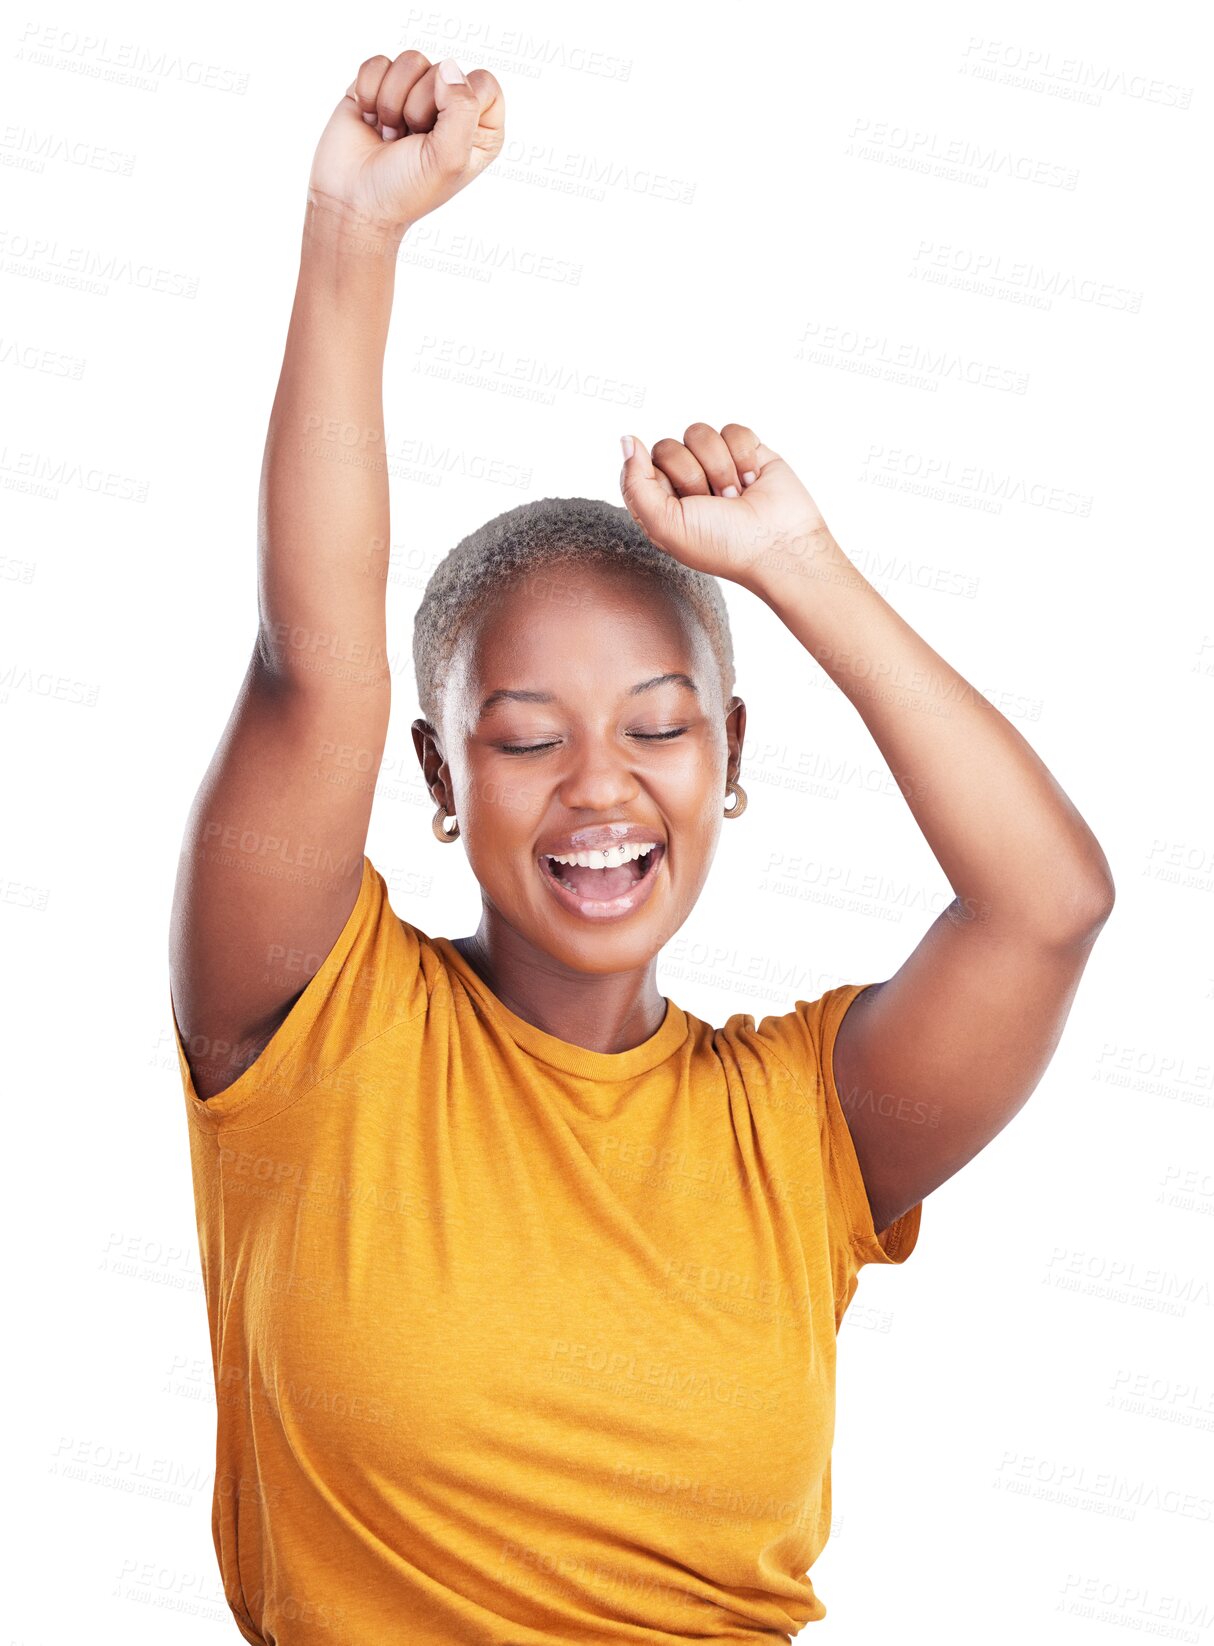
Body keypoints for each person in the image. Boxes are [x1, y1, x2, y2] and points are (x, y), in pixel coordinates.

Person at [168, 49, 1116, 1646]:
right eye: (528, 737)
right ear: (439, 774)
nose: (598, 786)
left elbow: (1047, 904)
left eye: (662, 727)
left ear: (728, 760)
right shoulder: (311, 1026)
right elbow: (311, 662)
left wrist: (798, 567)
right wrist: (351, 234)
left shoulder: (800, 1130)